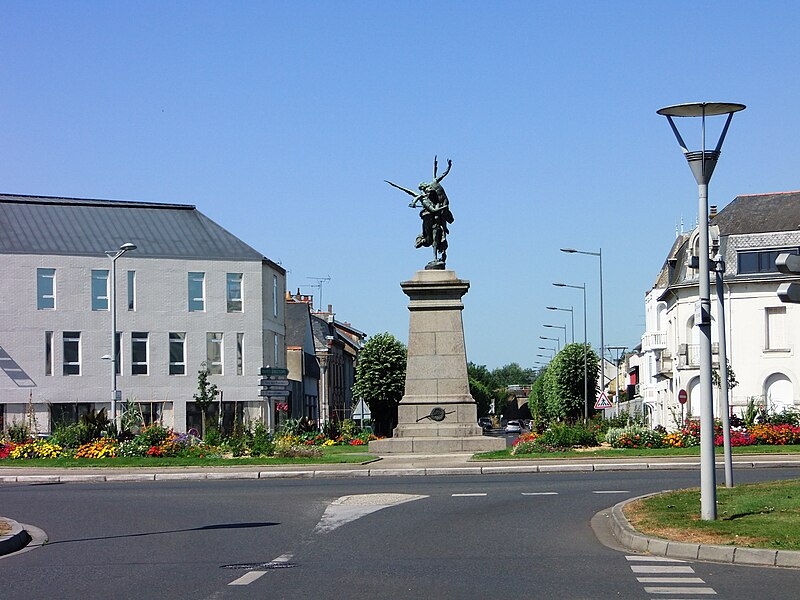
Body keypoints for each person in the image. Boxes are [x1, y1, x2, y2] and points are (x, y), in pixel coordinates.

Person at [385, 156, 454, 269]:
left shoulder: (434, 185)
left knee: (441, 223)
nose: (426, 191)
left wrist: (448, 167)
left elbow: (441, 175)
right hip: (433, 212)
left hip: (441, 209)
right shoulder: (424, 197)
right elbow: (414, 196)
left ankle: (442, 235)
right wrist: (412, 202)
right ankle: (426, 238)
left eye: (426, 189)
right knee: (432, 226)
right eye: (424, 190)